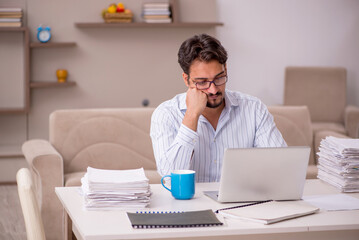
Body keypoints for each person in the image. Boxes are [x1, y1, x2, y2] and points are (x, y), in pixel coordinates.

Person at [150, 34, 286, 182]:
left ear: (226, 70)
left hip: (243, 202)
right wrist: (192, 115)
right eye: (202, 82)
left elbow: (281, 166)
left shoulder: (253, 109)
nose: (213, 90)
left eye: (219, 78)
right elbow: (170, 176)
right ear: (187, 80)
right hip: (191, 203)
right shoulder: (166, 114)